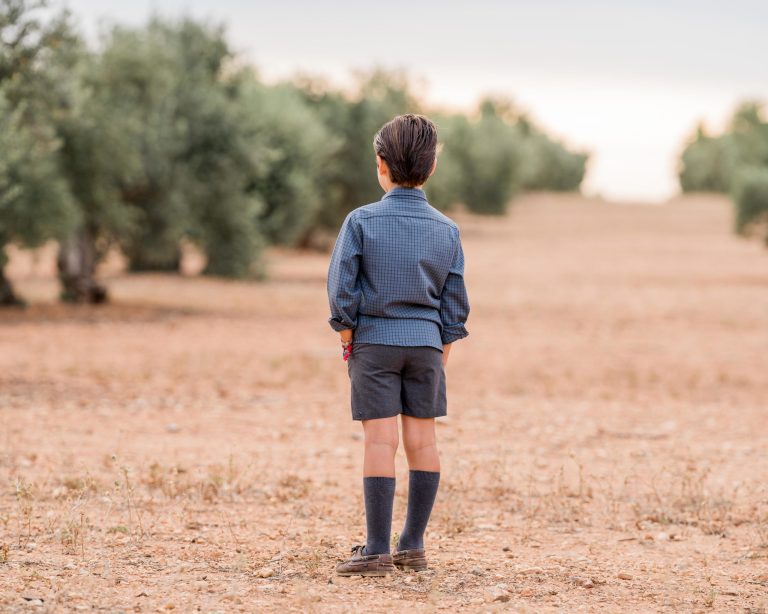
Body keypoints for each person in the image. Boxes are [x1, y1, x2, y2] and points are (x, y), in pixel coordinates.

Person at [327, 114, 470, 576]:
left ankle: (375, 549)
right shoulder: (447, 230)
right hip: (427, 347)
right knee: (422, 442)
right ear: (431, 169)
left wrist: (349, 338)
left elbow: (341, 289)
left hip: (374, 344)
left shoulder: (360, 221)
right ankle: (412, 544)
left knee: (380, 442)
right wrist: (439, 350)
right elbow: (455, 303)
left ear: (380, 164)